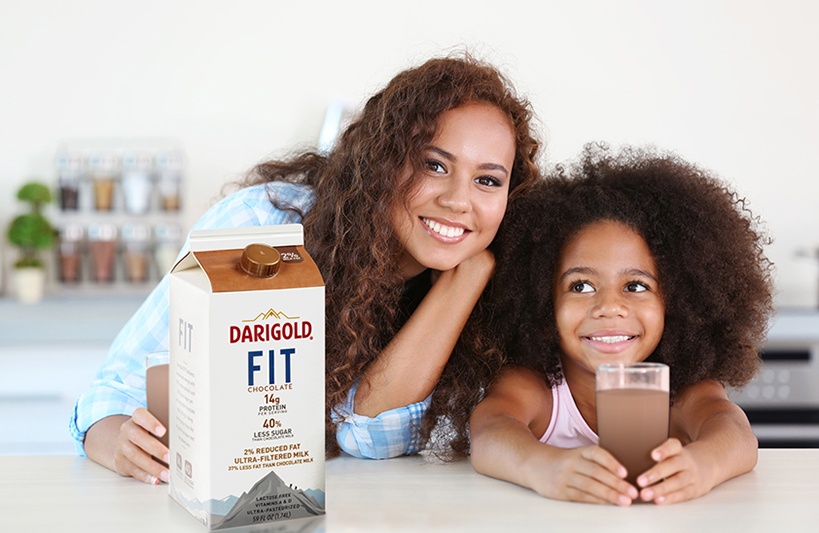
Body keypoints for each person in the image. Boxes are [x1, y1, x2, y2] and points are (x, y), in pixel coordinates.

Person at [70, 54, 541, 485]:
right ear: (384, 162)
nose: (458, 199)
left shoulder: (500, 291)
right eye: (434, 166)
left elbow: (367, 435)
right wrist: (122, 446)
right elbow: (110, 395)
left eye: (487, 180)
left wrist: (465, 280)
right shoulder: (261, 228)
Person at [470, 145, 774, 506]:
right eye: (581, 286)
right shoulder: (537, 387)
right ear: (543, 304)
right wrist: (544, 468)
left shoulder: (680, 392)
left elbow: (736, 433)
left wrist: (702, 466)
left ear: (676, 303)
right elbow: (489, 430)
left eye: (636, 286)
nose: (609, 307)